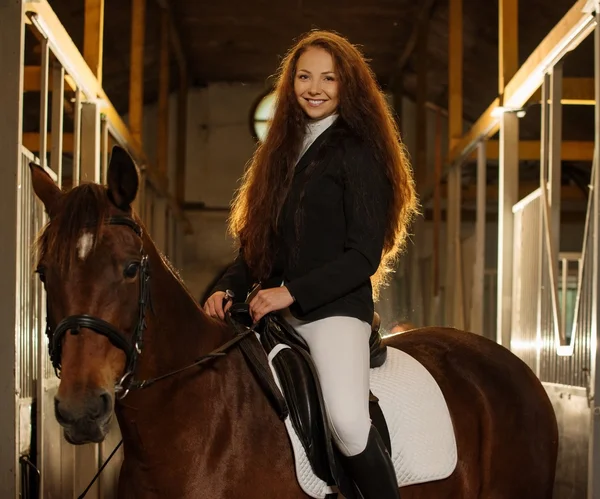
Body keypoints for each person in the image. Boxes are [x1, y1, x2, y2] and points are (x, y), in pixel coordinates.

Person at [204, 30, 417, 499]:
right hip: (271, 309)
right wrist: (225, 290)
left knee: (346, 420)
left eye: (328, 78)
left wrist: (291, 292)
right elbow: (256, 249)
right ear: (290, 83)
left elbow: (363, 256)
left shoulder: (359, 151)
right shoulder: (280, 151)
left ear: (347, 86)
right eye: (304, 76)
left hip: (334, 311)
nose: (314, 87)